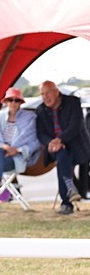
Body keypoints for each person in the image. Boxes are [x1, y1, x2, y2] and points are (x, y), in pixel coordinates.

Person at [35, 81, 90, 215]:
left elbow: (75, 126)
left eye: (47, 93)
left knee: (62, 158)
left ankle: (66, 203)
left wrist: (60, 140)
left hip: (76, 146)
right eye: (42, 94)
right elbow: (40, 133)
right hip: (55, 148)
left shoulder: (73, 102)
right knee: (61, 153)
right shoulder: (41, 110)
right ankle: (69, 189)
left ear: (56, 92)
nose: (45, 97)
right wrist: (52, 143)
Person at [0, 87, 40, 211]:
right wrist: (5, 147)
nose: (13, 103)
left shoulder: (29, 118)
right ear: (6, 102)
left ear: (21, 103)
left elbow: (34, 142)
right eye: (10, 100)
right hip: (0, 154)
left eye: (16, 100)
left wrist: (17, 150)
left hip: (16, 158)